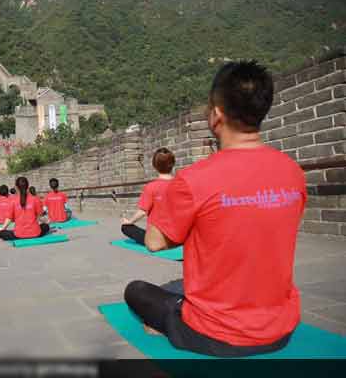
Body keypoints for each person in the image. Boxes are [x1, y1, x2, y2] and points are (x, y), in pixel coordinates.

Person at [124, 61, 306, 357]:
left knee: (136, 290)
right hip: (280, 330)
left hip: (213, 334)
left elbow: (154, 242)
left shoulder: (195, 179)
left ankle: (166, 325)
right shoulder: (293, 172)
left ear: (217, 115)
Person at [121, 148, 175, 245]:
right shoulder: (180, 184)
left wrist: (129, 221)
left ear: (154, 165)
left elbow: (142, 212)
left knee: (125, 227)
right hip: (178, 235)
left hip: (157, 239)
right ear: (173, 164)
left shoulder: (151, 187)